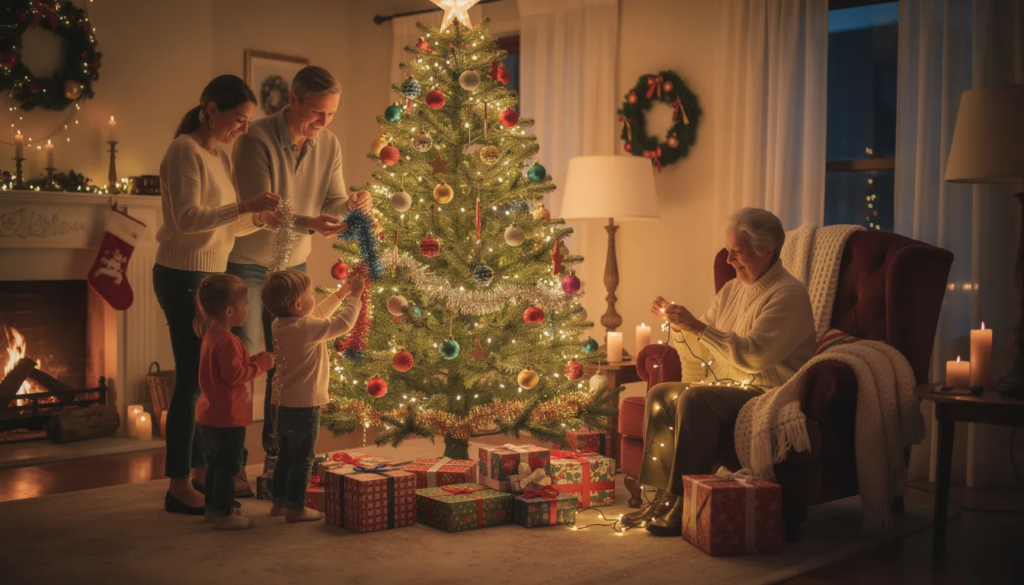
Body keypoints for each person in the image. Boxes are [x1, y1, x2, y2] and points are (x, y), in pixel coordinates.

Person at [623, 207, 816, 536]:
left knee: (695, 398)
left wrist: (698, 326)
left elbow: (754, 357)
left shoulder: (789, 294)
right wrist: (680, 326)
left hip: (767, 390)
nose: (728, 261)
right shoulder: (731, 290)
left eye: (737, 252)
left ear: (767, 250)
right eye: (728, 251)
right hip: (729, 385)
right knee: (661, 393)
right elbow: (704, 347)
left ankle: (681, 502)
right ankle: (655, 497)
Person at [227, 66, 373, 457]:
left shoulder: (329, 144)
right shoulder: (255, 138)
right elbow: (262, 211)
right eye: (317, 113)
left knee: (288, 365)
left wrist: (353, 203)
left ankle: (279, 458)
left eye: (332, 115)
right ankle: (233, 464)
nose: (324, 123)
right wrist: (310, 223)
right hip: (249, 263)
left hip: (295, 267)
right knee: (242, 363)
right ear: (293, 100)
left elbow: (334, 201)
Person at [154, 74, 281, 515]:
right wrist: (246, 206)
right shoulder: (183, 151)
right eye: (238, 119)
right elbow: (188, 220)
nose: (242, 129)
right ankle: (178, 484)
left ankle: (202, 474)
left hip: (207, 276)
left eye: (248, 121)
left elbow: (222, 223)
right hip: (182, 277)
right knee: (191, 385)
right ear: (211, 110)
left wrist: (260, 219)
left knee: (201, 384)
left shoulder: (218, 156)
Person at [260, 269, 364, 522]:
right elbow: (342, 324)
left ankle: (279, 503)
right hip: (304, 407)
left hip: (281, 405)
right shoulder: (306, 328)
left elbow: (315, 314)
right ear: (297, 304)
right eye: (310, 294)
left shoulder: (279, 323)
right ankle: (296, 508)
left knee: (285, 455)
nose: (313, 298)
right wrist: (356, 297)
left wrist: (341, 293)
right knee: (303, 459)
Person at [193, 274, 275, 530]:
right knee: (229, 467)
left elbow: (228, 368)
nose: (248, 310)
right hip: (227, 417)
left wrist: (254, 359)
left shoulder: (212, 335)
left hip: (209, 415)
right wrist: (262, 365)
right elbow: (235, 375)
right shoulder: (228, 341)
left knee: (215, 465)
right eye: (246, 305)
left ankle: (212, 509)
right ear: (230, 310)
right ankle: (225, 514)